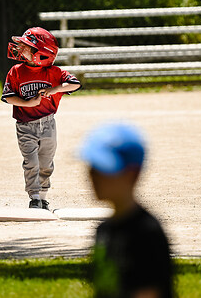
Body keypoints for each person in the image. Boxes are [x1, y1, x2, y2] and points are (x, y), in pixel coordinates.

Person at [80, 123, 174, 298]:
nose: (92, 176)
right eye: (92, 168)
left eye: (103, 169)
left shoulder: (145, 232)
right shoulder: (104, 230)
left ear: (132, 174)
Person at [1, 27, 81, 210]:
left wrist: (55, 89)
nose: (20, 48)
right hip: (25, 126)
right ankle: (34, 197)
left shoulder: (54, 73)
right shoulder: (15, 71)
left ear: (41, 54)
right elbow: (8, 97)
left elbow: (75, 84)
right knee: (31, 162)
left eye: (26, 46)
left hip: (48, 125)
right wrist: (28, 104)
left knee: (46, 162)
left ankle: (43, 196)